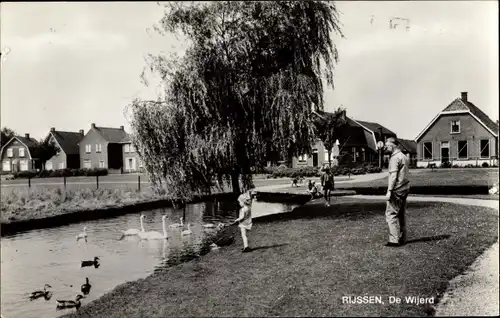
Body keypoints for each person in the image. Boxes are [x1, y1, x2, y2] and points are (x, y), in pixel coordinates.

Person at [384, 137, 411, 247]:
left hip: (397, 189)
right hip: (405, 187)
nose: (386, 147)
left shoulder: (395, 158)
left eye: (387, 145)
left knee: (391, 214)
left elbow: (393, 175)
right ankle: (403, 238)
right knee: (401, 214)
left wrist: (389, 191)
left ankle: (394, 240)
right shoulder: (404, 156)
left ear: (393, 145)